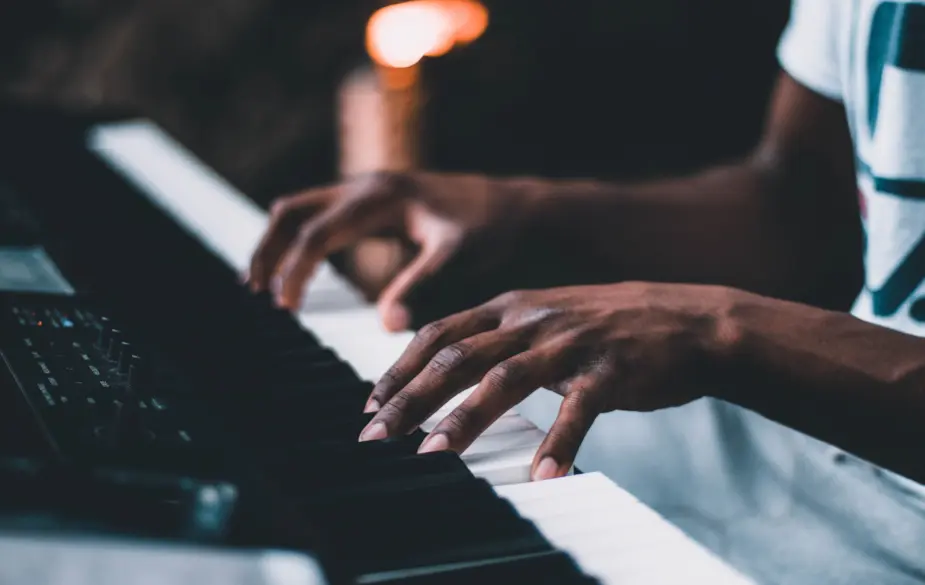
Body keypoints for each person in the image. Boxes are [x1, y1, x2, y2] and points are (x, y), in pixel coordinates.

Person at [246, 1, 925, 583]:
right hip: (824, 447)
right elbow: (797, 204)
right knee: (406, 452)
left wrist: (714, 325)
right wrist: (523, 208)